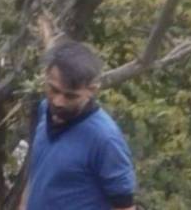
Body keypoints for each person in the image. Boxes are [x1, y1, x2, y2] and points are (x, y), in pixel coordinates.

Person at [22, 40, 136, 210]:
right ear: (46, 76)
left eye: (70, 96)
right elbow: (39, 173)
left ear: (92, 90)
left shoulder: (105, 139)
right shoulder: (45, 109)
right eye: (54, 90)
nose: (58, 101)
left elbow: (124, 206)